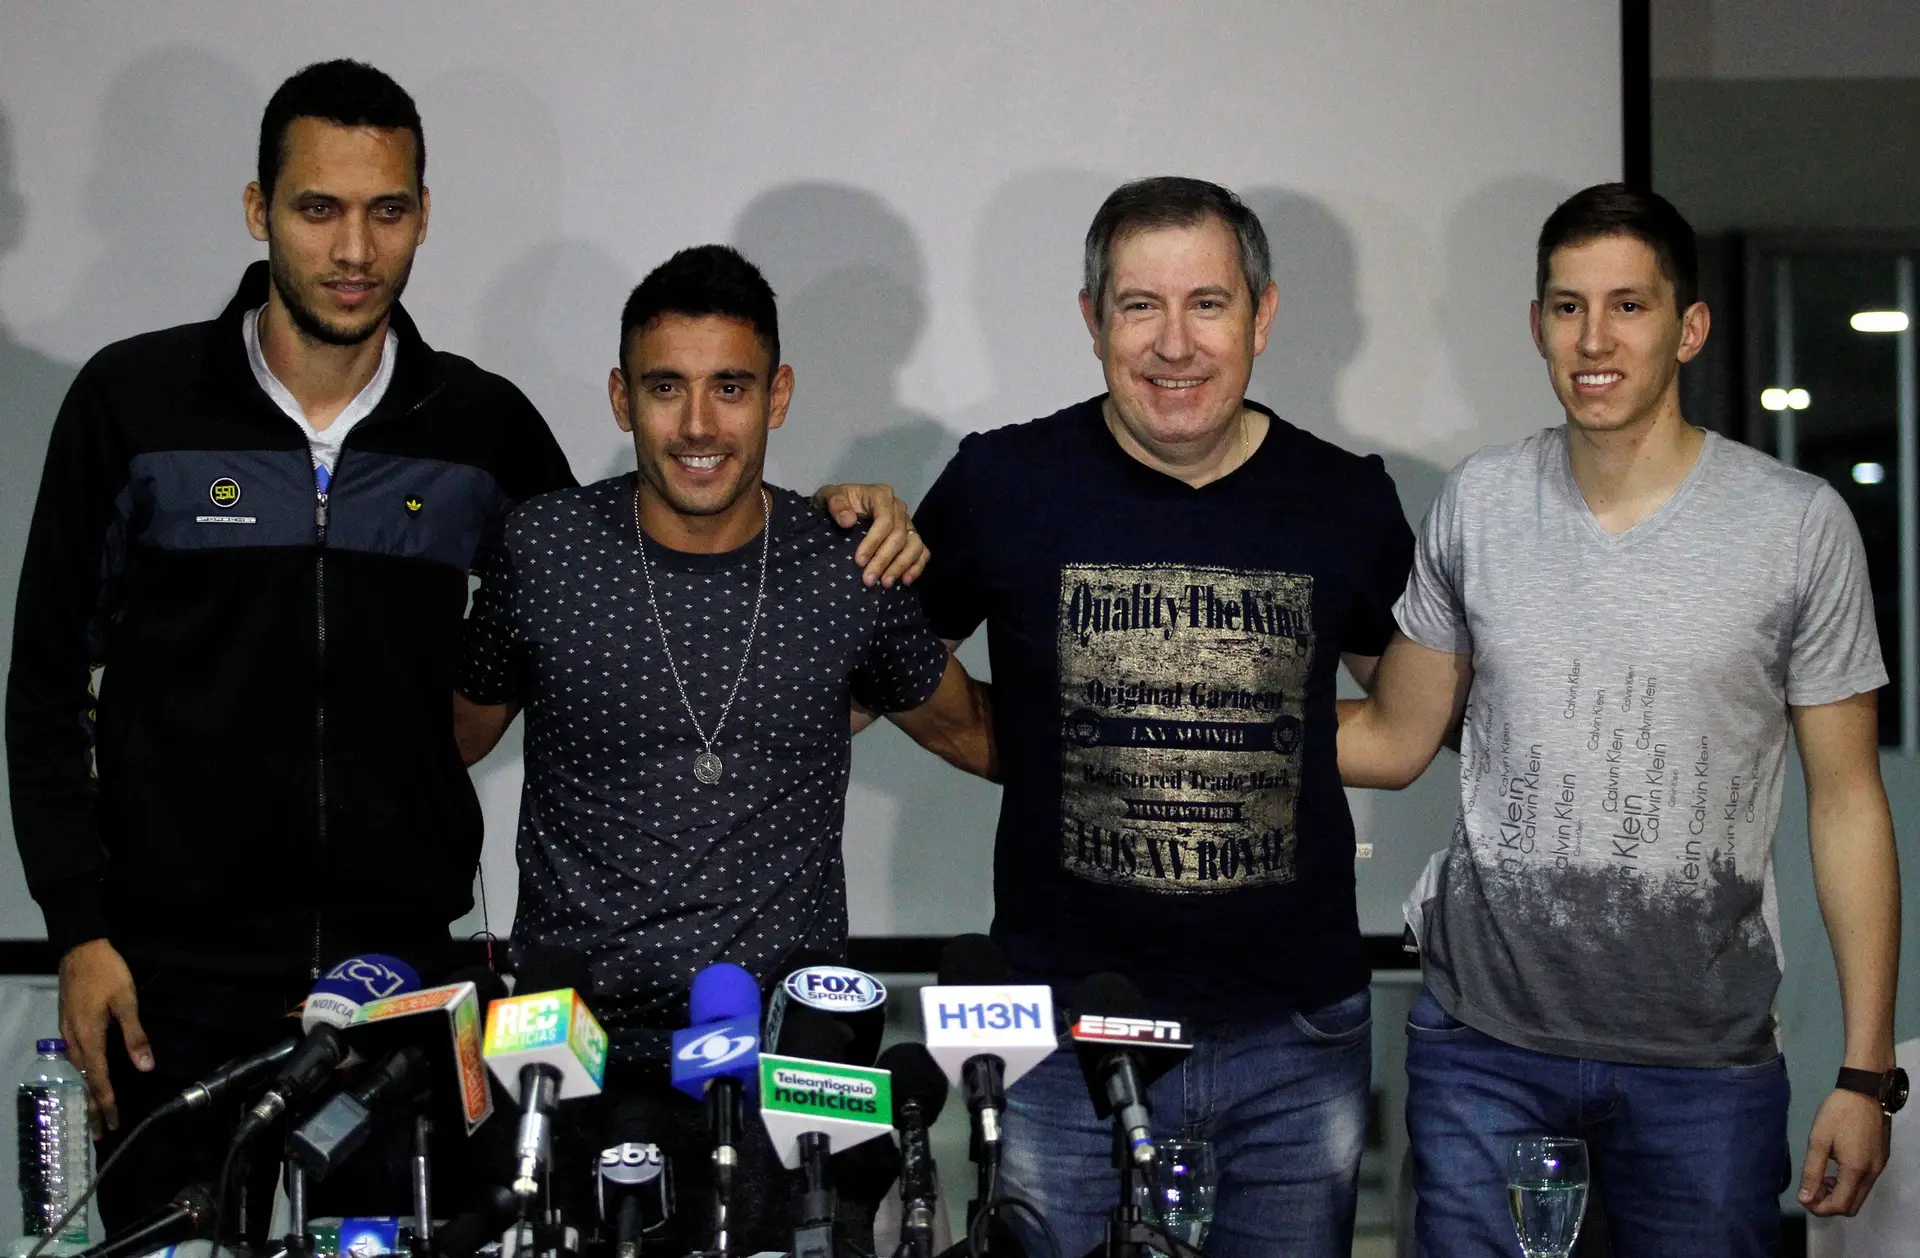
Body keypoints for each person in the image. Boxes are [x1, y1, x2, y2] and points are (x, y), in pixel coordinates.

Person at [2, 59, 922, 1233]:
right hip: (169, 977)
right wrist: (77, 927)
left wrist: (831, 526)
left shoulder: (478, 428)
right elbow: (42, 689)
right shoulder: (132, 404)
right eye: (318, 208)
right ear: (257, 211)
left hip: (402, 983)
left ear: (423, 217)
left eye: (387, 211)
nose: (354, 249)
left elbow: (654, 552)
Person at [1337, 183, 1905, 1255]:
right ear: (1539, 322)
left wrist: (1867, 1073)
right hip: (1483, 1051)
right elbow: (1395, 736)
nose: (1593, 339)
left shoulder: (1795, 526)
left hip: (1705, 1068)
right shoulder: (1480, 503)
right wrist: (1205, 723)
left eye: (1629, 307)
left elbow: (1847, 803)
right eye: (1566, 306)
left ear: (1689, 327)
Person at [908, 176, 1416, 1257]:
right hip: (1059, 1038)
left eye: (1209, 304)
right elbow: (901, 670)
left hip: (1294, 1036)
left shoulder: (1346, 499)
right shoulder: (1001, 482)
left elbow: (1411, 713)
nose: (1173, 344)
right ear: (1093, 319)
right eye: (1140, 305)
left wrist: (1213, 724)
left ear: (1263, 315)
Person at [453, 243, 994, 1250]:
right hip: (573, 1065)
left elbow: (975, 734)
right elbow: (447, 738)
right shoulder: (544, 549)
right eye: (667, 388)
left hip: (785, 1076)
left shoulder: (848, 564)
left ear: (777, 395)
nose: (699, 425)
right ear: (622, 398)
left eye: (730, 388)